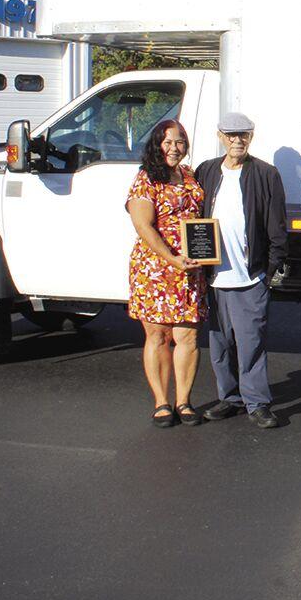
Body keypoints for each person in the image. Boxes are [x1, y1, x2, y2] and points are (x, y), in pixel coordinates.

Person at [196, 112, 288, 428]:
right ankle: (230, 398)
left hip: (250, 277)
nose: (238, 140)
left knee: (251, 344)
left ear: (251, 137)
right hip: (215, 278)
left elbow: (277, 228)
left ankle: (257, 403)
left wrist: (268, 272)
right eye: (231, 135)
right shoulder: (206, 171)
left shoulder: (265, 174)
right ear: (220, 135)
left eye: (244, 135)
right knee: (220, 346)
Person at [125, 119, 208, 429]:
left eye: (180, 142)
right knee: (158, 336)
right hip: (156, 268)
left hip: (190, 267)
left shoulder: (189, 175)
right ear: (157, 144)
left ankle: (184, 400)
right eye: (169, 142)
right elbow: (143, 225)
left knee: (187, 336)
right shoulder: (146, 178)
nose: (175, 148)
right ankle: (162, 401)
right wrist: (171, 258)